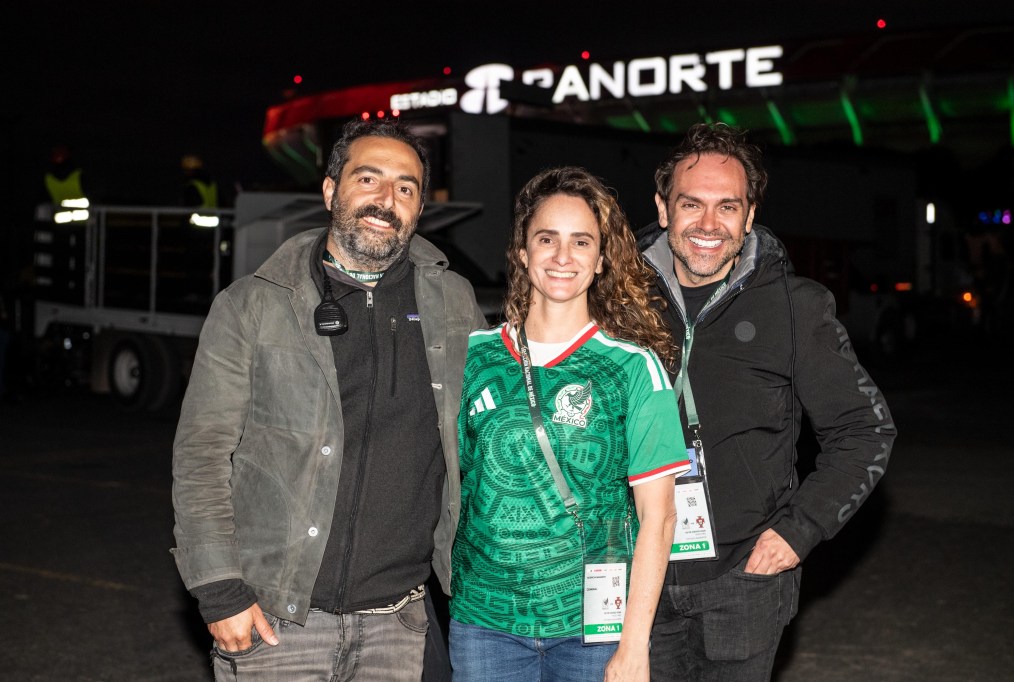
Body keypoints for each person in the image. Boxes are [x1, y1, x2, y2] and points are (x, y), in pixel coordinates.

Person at [171, 118, 484, 680]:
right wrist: (219, 589)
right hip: (276, 621)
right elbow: (202, 453)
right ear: (330, 190)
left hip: (399, 624)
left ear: (419, 207)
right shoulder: (253, 305)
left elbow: (487, 439)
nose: (386, 199)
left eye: (406, 187)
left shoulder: (454, 302)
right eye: (368, 179)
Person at [637, 122, 897, 680]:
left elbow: (865, 431)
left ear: (750, 215)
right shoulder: (619, 300)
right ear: (662, 208)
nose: (709, 224)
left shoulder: (793, 305)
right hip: (637, 577)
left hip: (742, 583)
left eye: (728, 207)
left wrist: (800, 530)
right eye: (691, 204)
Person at [449, 167, 691, 681]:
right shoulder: (473, 357)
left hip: (593, 630)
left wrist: (634, 644)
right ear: (523, 251)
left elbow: (659, 518)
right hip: (485, 623)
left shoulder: (632, 368)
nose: (563, 256)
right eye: (547, 239)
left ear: (601, 260)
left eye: (581, 242)